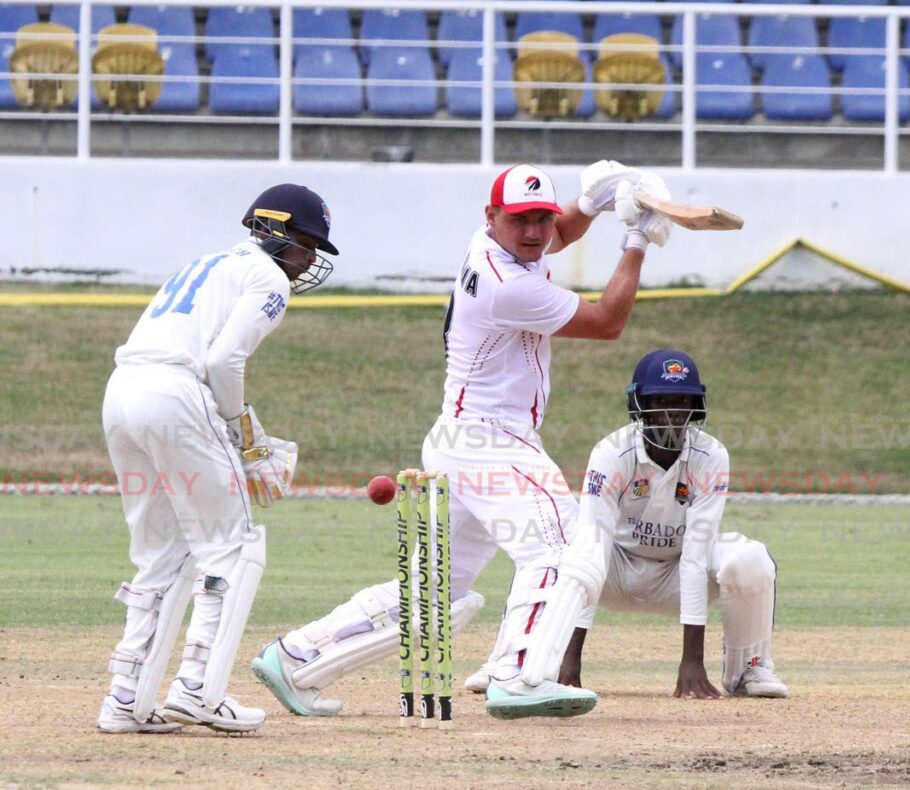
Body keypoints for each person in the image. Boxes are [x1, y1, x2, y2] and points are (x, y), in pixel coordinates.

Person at [251, 161, 674, 719]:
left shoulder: (492, 246)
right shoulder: (506, 287)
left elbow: (558, 236)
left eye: (541, 218)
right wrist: (637, 238)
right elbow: (608, 321)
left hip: (462, 437)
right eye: (520, 219)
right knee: (562, 544)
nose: (534, 232)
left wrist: (592, 203)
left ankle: (295, 655)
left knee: (434, 593)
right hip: (490, 440)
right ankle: (517, 676)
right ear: (492, 216)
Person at [96, 184, 337, 734]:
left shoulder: (205, 261)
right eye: (305, 243)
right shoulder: (269, 277)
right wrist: (247, 440)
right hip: (177, 393)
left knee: (160, 555)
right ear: (274, 231)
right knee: (233, 546)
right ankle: (199, 690)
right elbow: (223, 361)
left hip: (121, 394)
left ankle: (126, 698)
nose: (309, 259)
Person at [467, 349, 788, 702]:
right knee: (556, 544)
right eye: (661, 401)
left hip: (676, 575)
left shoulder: (711, 455)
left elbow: (697, 555)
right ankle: (511, 661)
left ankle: (749, 668)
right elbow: (593, 545)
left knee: (750, 559)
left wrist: (692, 661)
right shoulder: (610, 453)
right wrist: (570, 663)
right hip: (612, 573)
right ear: (639, 406)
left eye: (683, 401)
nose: (674, 413)